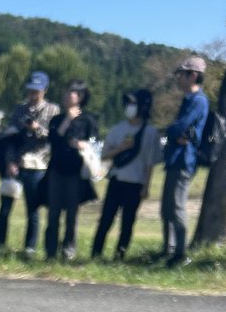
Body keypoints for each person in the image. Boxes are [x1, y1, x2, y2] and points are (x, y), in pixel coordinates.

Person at [0, 71, 59, 257]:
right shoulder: (19, 110)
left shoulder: (52, 111)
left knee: (33, 209)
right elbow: (10, 139)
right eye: (30, 91)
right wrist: (10, 162)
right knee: (5, 207)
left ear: (44, 90)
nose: (32, 95)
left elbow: (53, 138)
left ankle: (30, 247)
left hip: (37, 165)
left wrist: (37, 128)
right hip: (16, 165)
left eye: (36, 91)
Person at [91, 90, 161, 261]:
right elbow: (104, 155)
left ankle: (119, 256)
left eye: (133, 104)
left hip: (135, 183)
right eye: (128, 104)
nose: (129, 108)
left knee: (127, 223)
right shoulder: (117, 129)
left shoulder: (151, 133)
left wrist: (146, 186)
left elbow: (150, 163)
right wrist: (120, 149)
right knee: (106, 219)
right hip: (117, 180)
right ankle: (95, 254)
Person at [160, 55, 209, 269]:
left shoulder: (198, 101)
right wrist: (175, 132)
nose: (179, 78)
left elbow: (180, 127)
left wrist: (171, 131)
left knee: (177, 207)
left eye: (182, 74)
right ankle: (169, 250)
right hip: (175, 158)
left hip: (184, 160)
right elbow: (178, 130)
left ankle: (180, 253)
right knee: (166, 207)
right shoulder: (189, 100)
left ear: (194, 76)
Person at [44, 80, 98, 261]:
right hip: (56, 170)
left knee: (72, 215)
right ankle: (50, 251)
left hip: (76, 172)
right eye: (65, 93)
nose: (66, 96)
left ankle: (68, 250)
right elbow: (53, 139)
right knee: (53, 213)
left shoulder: (88, 120)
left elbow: (95, 143)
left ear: (80, 97)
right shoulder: (57, 119)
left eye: (71, 93)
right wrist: (67, 119)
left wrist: (82, 144)